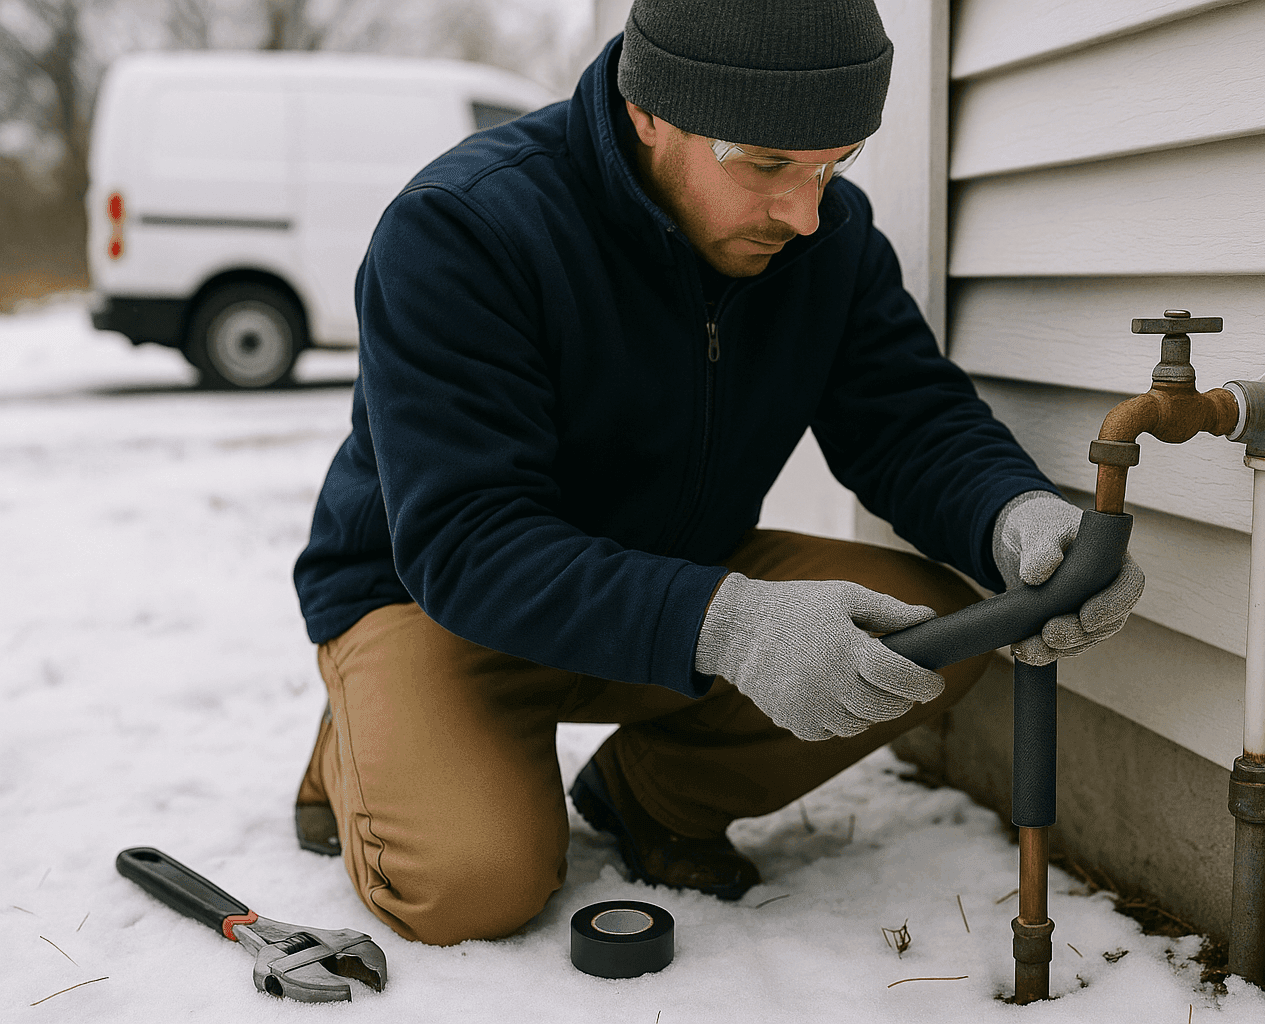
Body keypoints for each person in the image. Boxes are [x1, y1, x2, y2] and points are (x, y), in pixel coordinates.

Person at [291, 0, 1143, 947]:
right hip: (439, 604)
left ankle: (650, 796)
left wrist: (1013, 518)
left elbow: (910, 423)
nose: (806, 210)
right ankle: (356, 743)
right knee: (470, 886)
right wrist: (729, 624)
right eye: (768, 164)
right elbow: (469, 543)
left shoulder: (831, 242)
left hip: (677, 574)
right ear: (650, 108)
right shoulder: (463, 231)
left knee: (943, 628)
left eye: (834, 163)